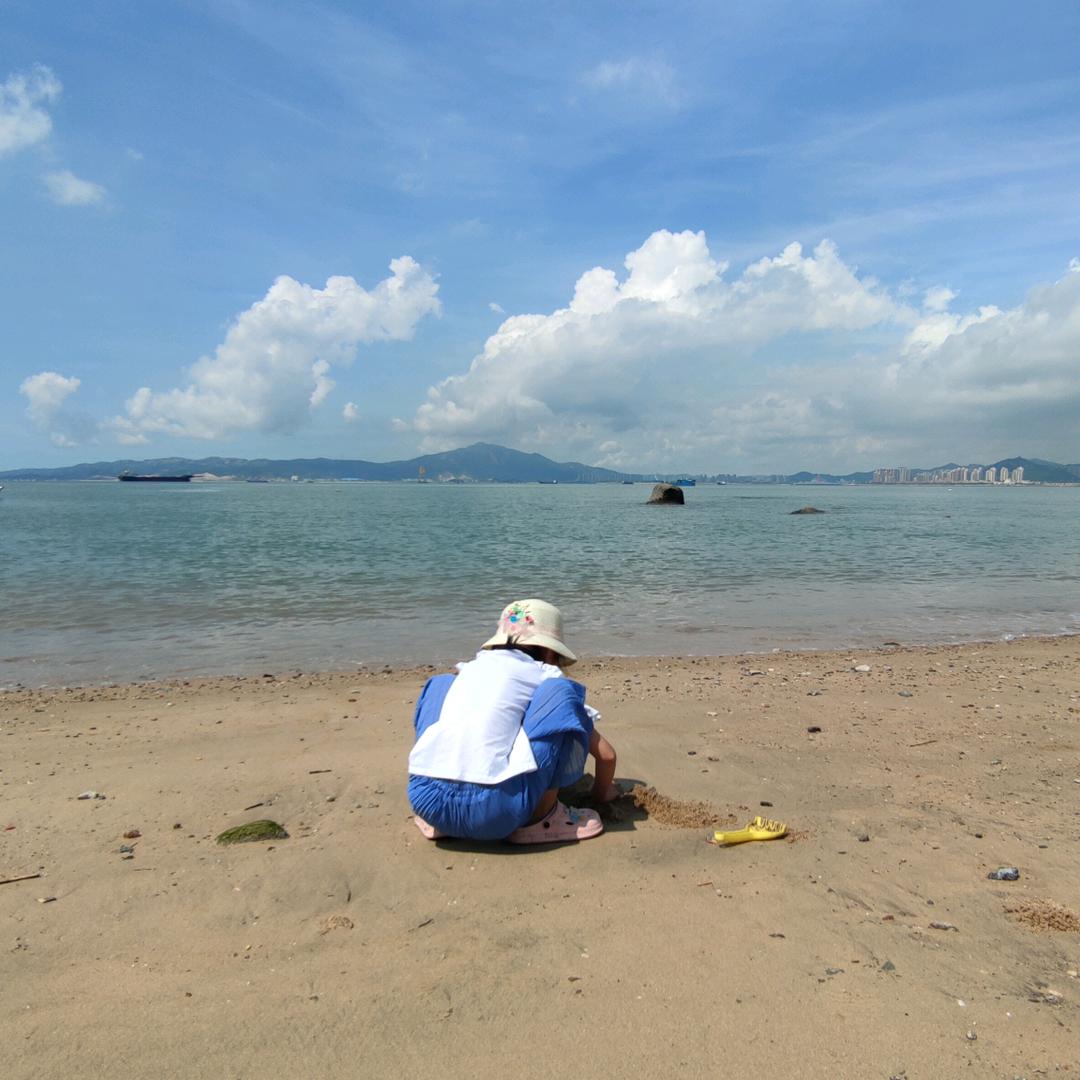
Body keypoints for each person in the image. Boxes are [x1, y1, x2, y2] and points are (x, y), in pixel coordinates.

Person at [408, 599, 618, 843]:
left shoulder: (469, 670)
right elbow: (607, 756)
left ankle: (442, 805)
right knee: (561, 694)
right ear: (550, 651)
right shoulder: (545, 673)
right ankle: (543, 819)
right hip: (498, 813)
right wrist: (602, 794)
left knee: (440, 685)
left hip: (427, 802)